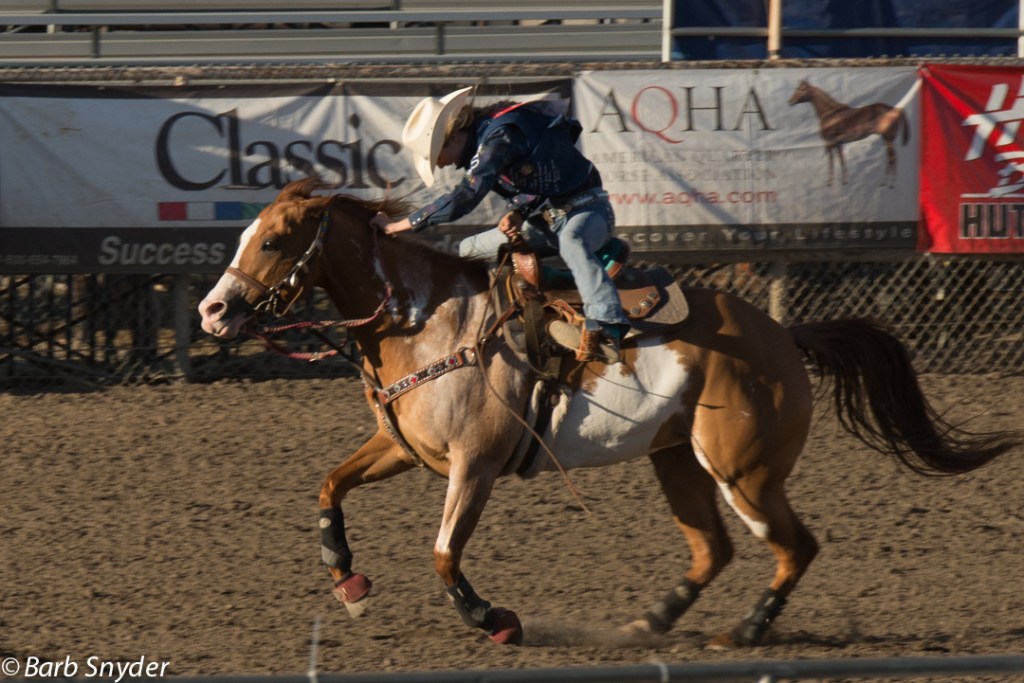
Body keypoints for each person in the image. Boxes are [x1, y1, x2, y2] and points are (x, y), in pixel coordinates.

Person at [370, 86, 629, 363]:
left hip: (590, 210)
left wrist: (399, 226)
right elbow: (541, 177)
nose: (443, 165)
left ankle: (608, 326)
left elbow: (466, 196)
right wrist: (519, 212)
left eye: (437, 156)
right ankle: (561, 282)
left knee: (572, 241)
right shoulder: (492, 138)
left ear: (453, 137)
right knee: (469, 251)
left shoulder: (500, 136)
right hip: (549, 221)